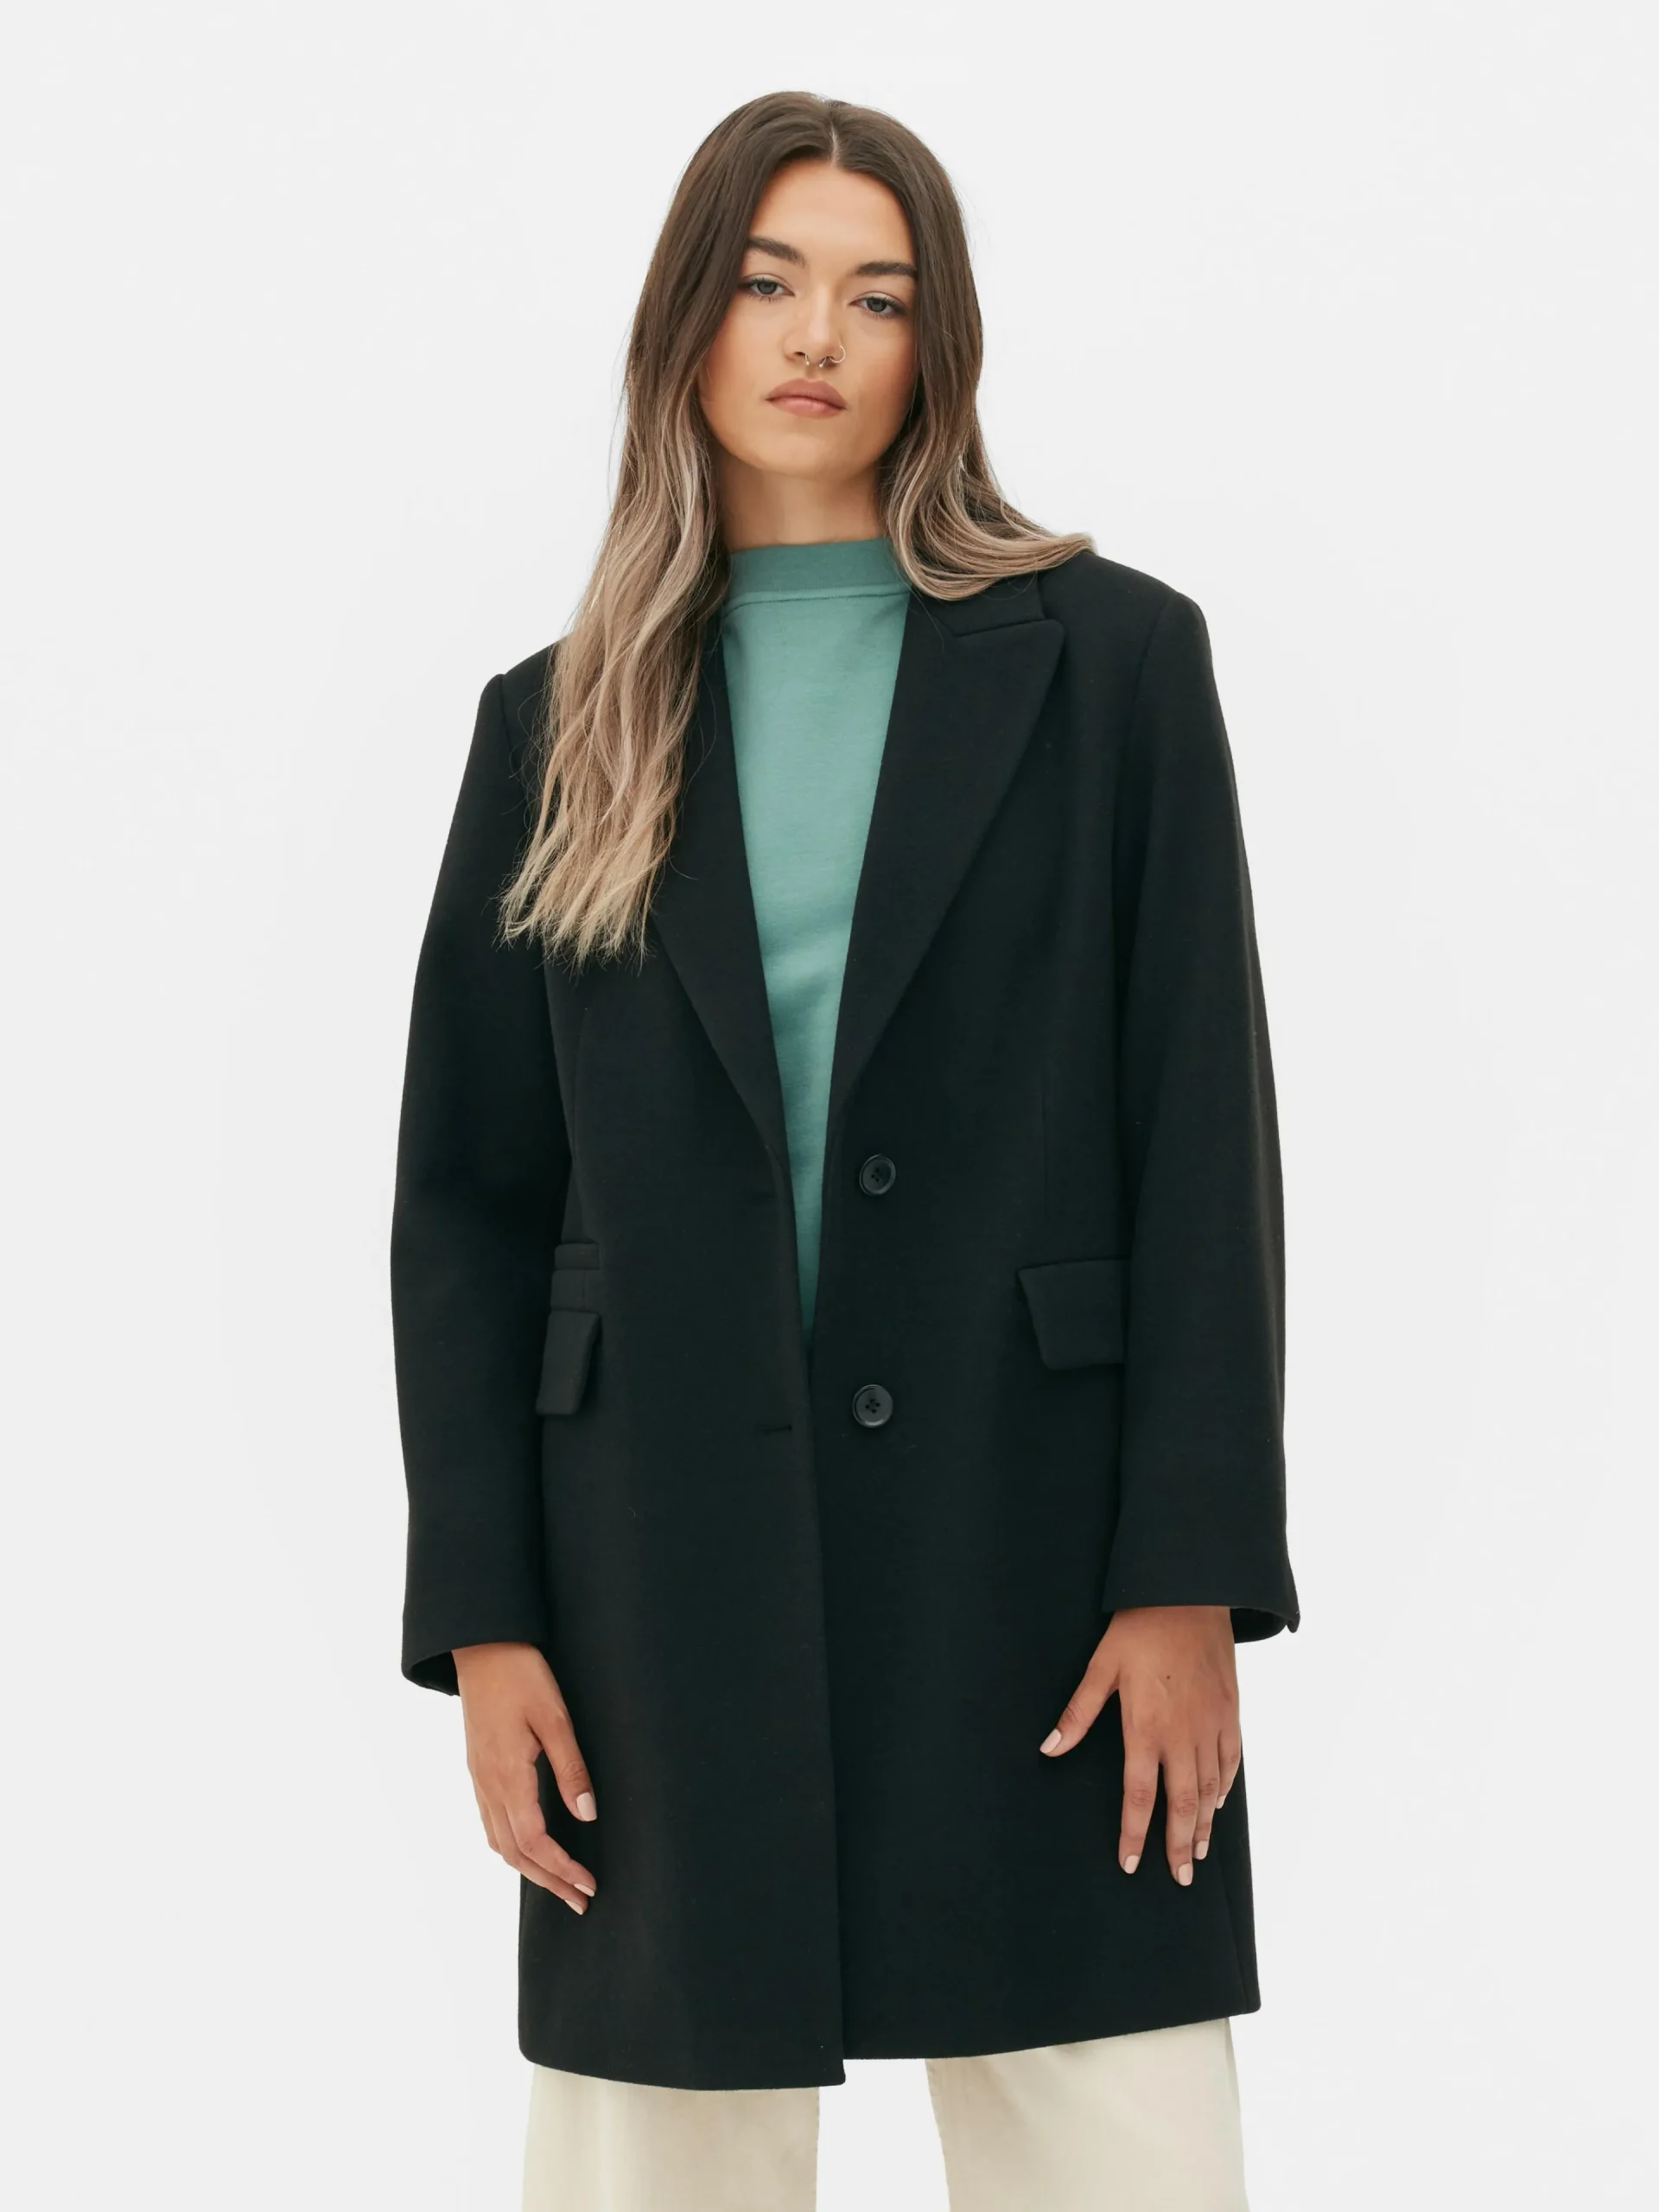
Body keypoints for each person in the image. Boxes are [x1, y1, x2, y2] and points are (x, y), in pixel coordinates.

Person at [391, 89, 1300, 2212]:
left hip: (1033, 1533)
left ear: (936, 344)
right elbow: (470, 1200)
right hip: (656, 1559)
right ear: (687, 323)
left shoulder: (1114, 665)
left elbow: (1204, 1137)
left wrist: (1186, 1568)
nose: (818, 336)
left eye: (878, 295)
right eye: (769, 281)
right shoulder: (558, 717)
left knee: (1123, 2138)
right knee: (654, 2150)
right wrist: (488, 1614)